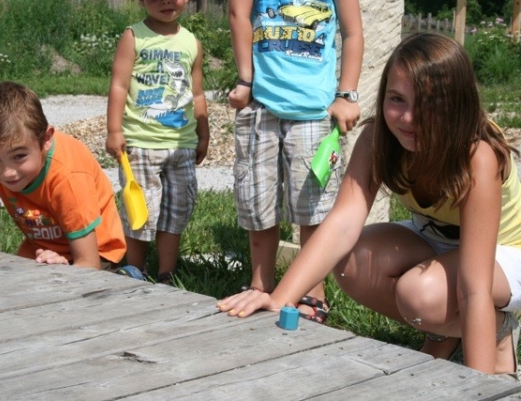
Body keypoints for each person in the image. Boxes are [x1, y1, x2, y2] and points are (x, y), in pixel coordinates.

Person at [218, 32, 521, 377]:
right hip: (439, 241)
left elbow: (475, 285)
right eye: (397, 99)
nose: (409, 118)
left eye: (429, 103)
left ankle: (498, 335)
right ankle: (443, 330)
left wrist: (476, 386)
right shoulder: (378, 139)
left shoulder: (477, 156)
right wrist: (279, 298)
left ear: (458, 104)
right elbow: (343, 223)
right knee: (352, 262)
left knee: (421, 294)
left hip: (503, 253)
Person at [226, 0, 364, 323]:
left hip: (314, 113)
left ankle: (313, 290)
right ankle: (261, 284)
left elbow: (353, 32)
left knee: (312, 209)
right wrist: (246, 80)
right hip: (261, 107)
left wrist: (347, 94)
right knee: (257, 203)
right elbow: (238, 12)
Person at [0, 81, 126, 270]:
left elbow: (89, 264)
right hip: (40, 249)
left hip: (98, 254)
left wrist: (65, 269)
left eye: (19, 156)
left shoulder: (68, 176)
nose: (7, 172)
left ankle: (128, 274)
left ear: (45, 139)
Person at [106, 0, 210, 284]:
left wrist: (204, 131)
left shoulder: (191, 42)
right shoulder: (134, 36)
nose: (166, 1)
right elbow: (119, 84)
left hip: (181, 145)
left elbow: (197, 93)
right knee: (141, 210)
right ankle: (135, 269)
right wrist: (114, 130)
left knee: (177, 209)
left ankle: (167, 272)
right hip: (141, 143)